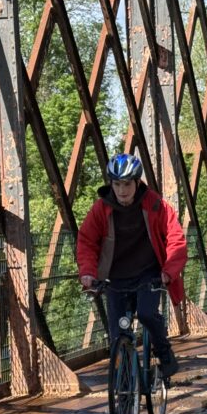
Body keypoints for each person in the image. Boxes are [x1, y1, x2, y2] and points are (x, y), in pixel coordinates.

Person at [77, 153, 188, 379]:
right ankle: (126, 395)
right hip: (115, 278)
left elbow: (176, 239)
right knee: (118, 335)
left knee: (147, 314)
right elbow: (87, 241)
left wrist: (168, 272)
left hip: (149, 274)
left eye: (127, 184)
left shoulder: (156, 205)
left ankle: (164, 351)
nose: (121, 190)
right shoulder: (100, 209)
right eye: (116, 184)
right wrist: (88, 273)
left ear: (137, 183)